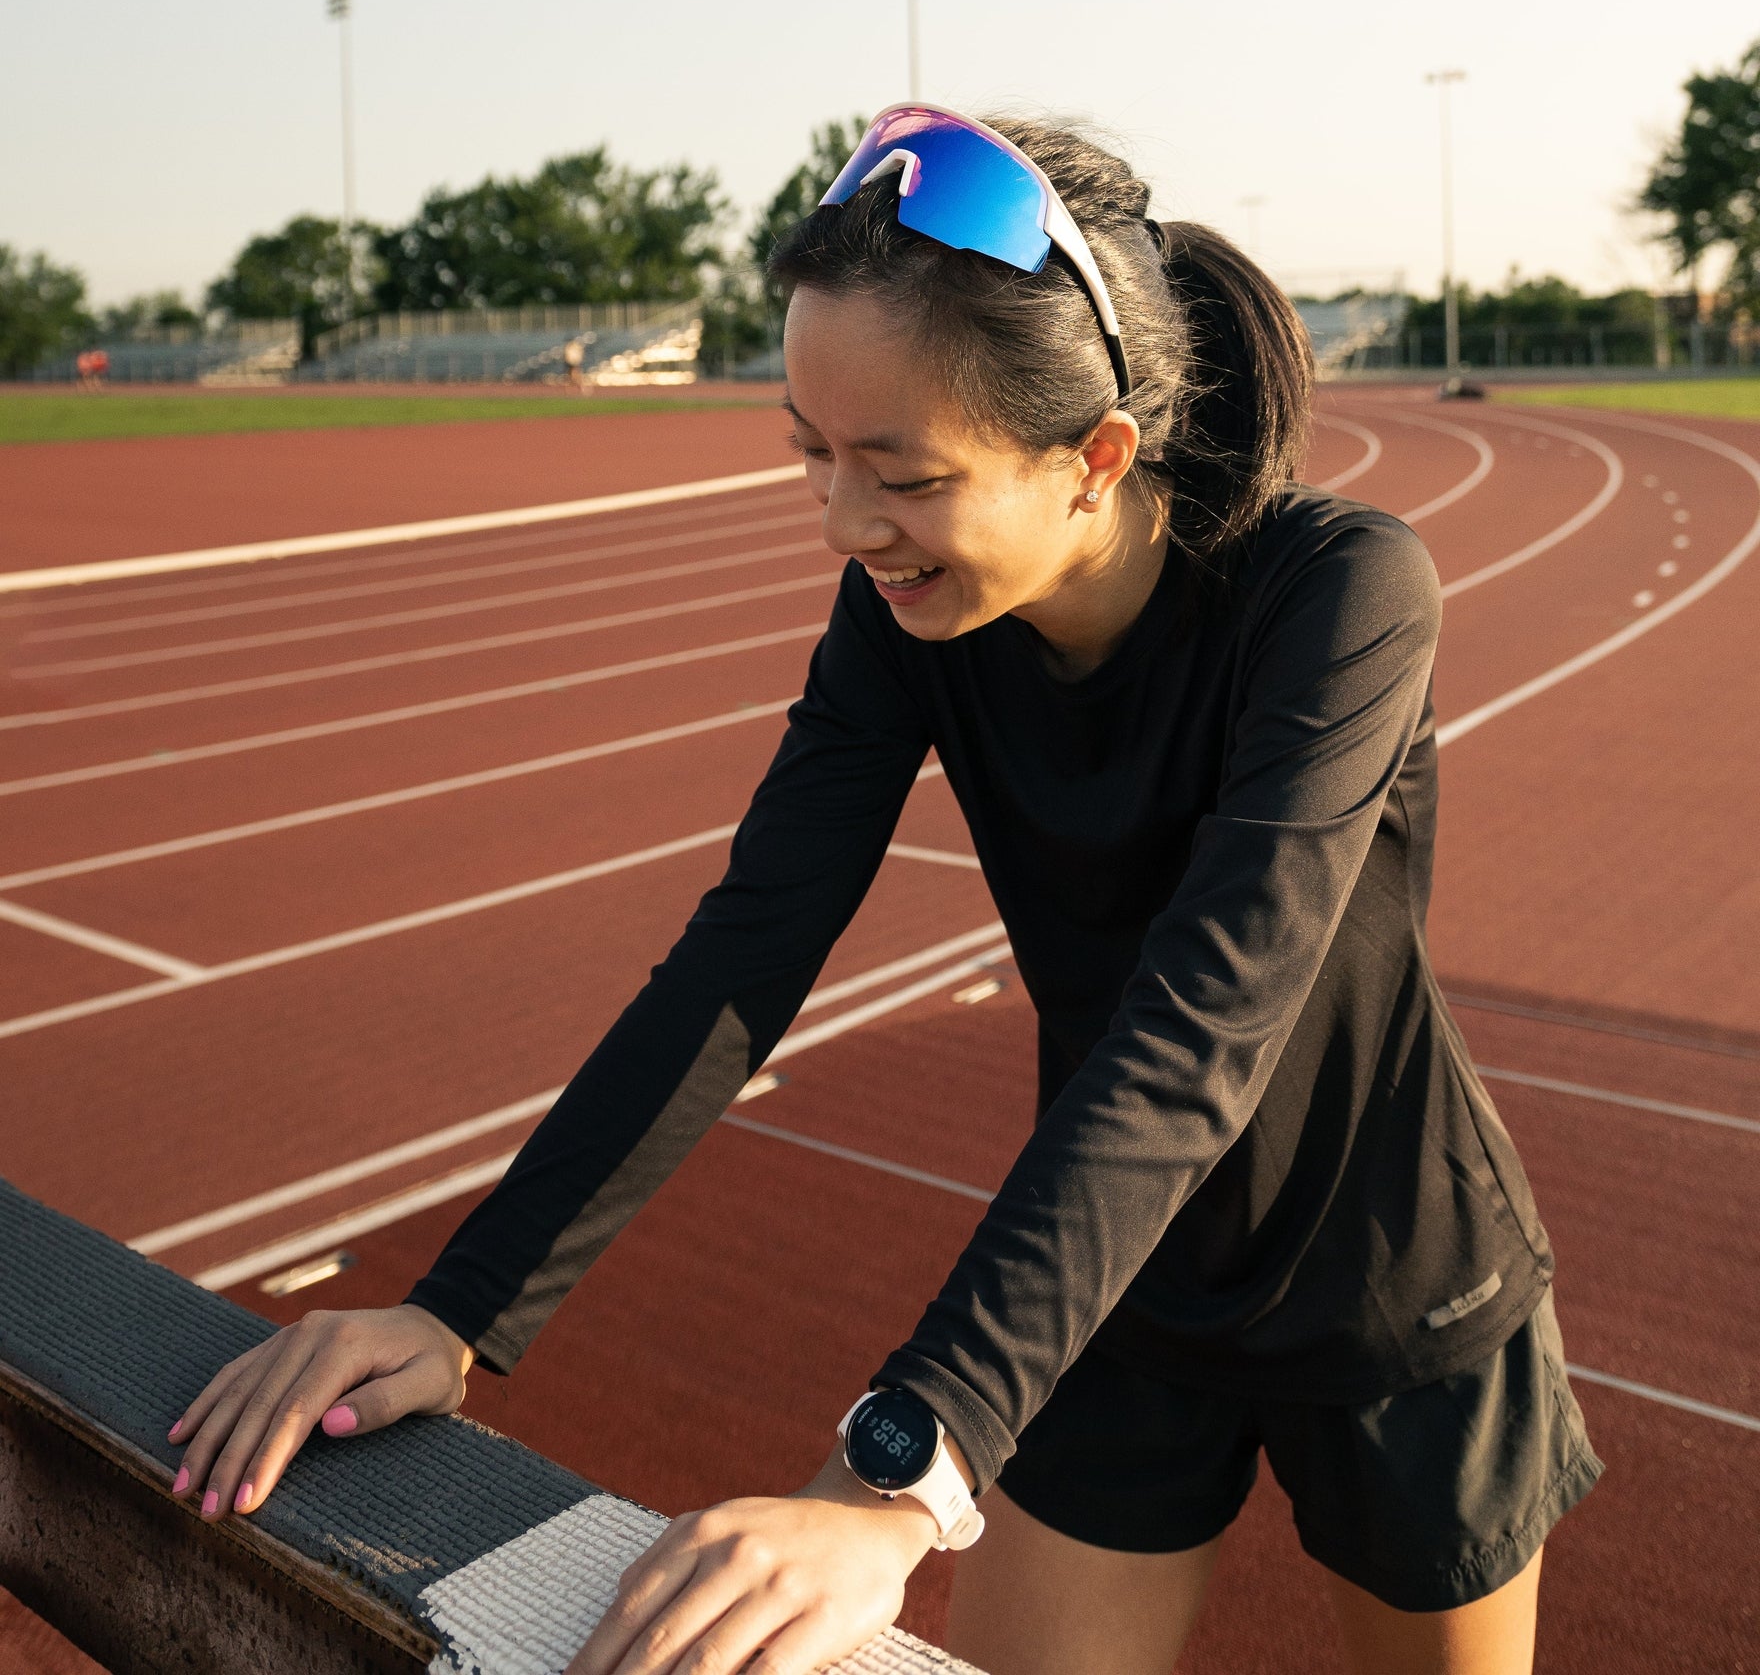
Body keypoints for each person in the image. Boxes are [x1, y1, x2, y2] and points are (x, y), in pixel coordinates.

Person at [168, 110, 1600, 1675]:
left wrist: (896, 1470)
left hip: (1389, 1282)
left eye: (900, 472)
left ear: (1095, 457)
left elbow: (1202, 1029)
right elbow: (750, 947)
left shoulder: (1342, 593)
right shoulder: (909, 612)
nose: (845, 526)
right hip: (1104, 1290)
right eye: (812, 449)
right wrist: (460, 1309)